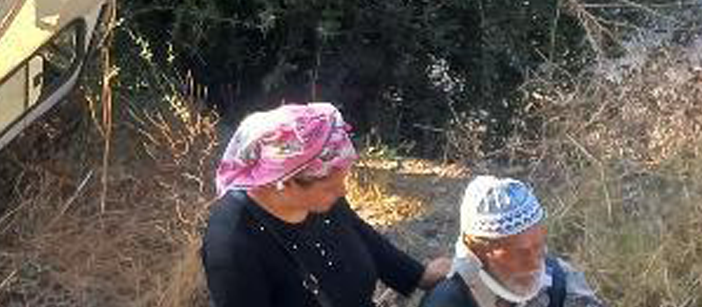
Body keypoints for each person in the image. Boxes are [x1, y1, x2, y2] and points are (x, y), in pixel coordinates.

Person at [201, 102, 450, 307]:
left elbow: (364, 237)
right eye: (331, 186)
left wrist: (419, 276)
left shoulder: (323, 201)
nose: (342, 191)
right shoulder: (232, 243)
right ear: (284, 182)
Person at [423, 176, 605, 307]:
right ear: (477, 249)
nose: (535, 263)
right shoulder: (446, 301)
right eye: (522, 253)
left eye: (539, 246)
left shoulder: (561, 283)